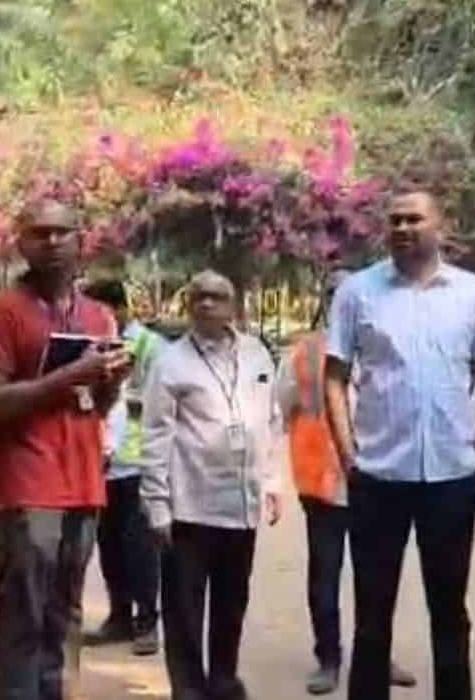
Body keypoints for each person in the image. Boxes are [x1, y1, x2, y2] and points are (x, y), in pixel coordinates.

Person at [325, 188, 475, 700]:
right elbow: (334, 376)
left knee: (449, 609)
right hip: (378, 476)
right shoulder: (358, 292)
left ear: (439, 227)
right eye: (395, 220)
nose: (403, 228)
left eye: (414, 219)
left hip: (452, 477)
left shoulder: (471, 294)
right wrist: (348, 453)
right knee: (372, 612)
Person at [0, 199, 133, 700]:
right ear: (21, 241)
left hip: (83, 478)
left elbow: (98, 406)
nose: (53, 242)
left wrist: (111, 380)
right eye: (40, 233)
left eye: (63, 232)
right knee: (25, 608)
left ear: (80, 240)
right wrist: (68, 374)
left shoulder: (98, 315)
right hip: (26, 480)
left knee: (68, 609)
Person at [139, 270, 283, 700]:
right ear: (188, 305)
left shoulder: (257, 353)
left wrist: (273, 481)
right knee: (184, 607)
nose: (206, 304)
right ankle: (187, 687)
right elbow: (155, 434)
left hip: (242, 502)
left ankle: (223, 678)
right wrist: (157, 505)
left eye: (216, 297)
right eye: (198, 297)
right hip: (189, 504)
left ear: (233, 306)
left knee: (231, 601)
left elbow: (271, 421)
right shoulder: (170, 361)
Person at [277, 269, 416, 696]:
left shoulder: (389, 346)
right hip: (322, 486)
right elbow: (283, 412)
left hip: (381, 480)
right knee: (326, 576)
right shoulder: (302, 354)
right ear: (328, 300)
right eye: (337, 294)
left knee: (377, 577)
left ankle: (375, 655)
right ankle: (329, 659)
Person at [82, 279, 164, 656]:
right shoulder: (91, 346)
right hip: (101, 463)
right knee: (109, 544)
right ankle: (119, 617)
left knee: (140, 547)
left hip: (137, 462)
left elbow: (162, 403)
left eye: (99, 309)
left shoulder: (149, 346)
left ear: (118, 309)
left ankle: (147, 621)